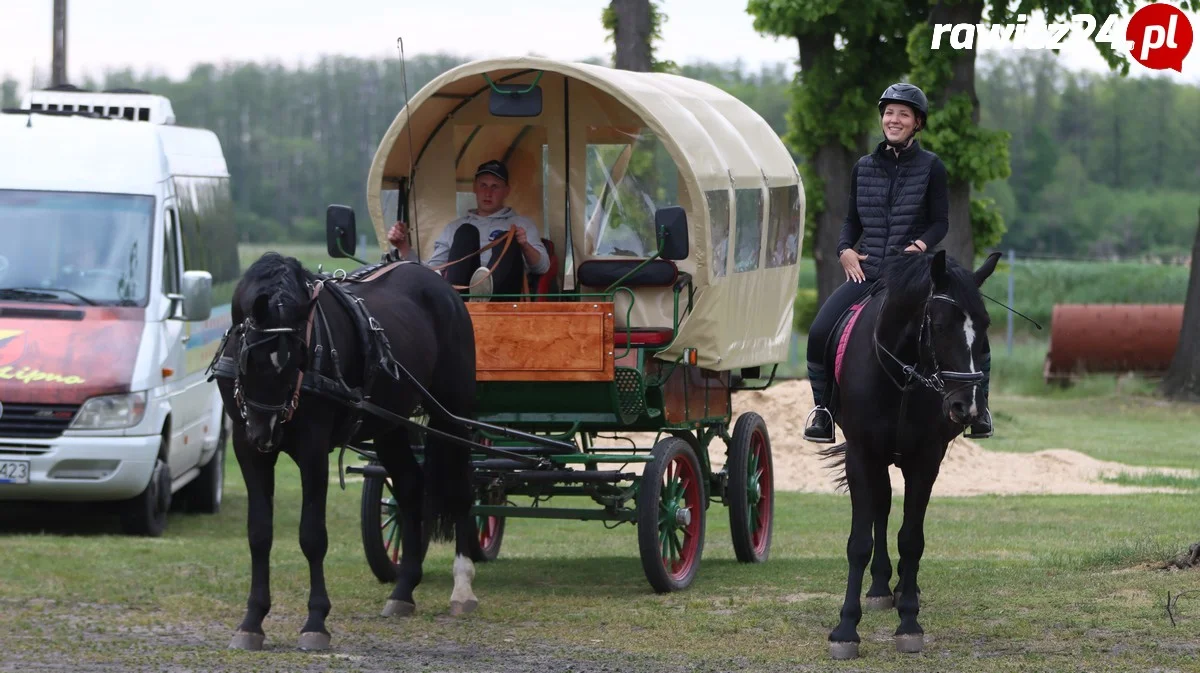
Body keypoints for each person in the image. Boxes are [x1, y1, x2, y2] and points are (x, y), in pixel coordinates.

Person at [802, 82, 993, 443]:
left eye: (903, 114)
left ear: (917, 123)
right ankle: (823, 411)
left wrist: (920, 244)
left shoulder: (932, 166)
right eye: (889, 112)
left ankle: (979, 406)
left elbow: (941, 221)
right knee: (819, 332)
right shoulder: (863, 167)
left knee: (973, 330)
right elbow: (851, 221)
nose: (894, 119)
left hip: (914, 275)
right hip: (869, 271)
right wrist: (844, 248)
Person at [386, 159, 549, 300]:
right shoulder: (454, 227)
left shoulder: (522, 224)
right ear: (474, 188)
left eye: (495, 187)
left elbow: (542, 267)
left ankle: (484, 292)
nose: (488, 192)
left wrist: (525, 245)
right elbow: (430, 272)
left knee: (507, 237)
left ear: (506, 191)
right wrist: (404, 248)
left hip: (503, 295)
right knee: (466, 232)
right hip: (463, 294)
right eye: (483, 185)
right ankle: (459, 301)